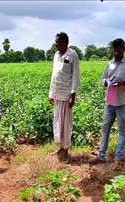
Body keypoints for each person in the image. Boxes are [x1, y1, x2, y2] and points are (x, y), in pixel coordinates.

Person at [89, 38, 125, 170]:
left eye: (118, 49)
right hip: (109, 103)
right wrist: (106, 82)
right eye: (114, 49)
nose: (115, 52)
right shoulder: (109, 64)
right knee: (105, 129)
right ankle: (101, 156)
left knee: (122, 131)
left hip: (122, 103)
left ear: (123, 49)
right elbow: (102, 78)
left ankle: (118, 159)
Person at [49, 32, 80, 164]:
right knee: (58, 122)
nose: (55, 44)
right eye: (55, 42)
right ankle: (60, 148)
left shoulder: (73, 55)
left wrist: (73, 95)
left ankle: (66, 151)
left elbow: (76, 76)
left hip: (67, 95)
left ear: (64, 42)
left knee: (66, 124)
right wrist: (51, 93)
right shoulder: (56, 55)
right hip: (57, 94)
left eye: (57, 42)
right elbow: (54, 75)